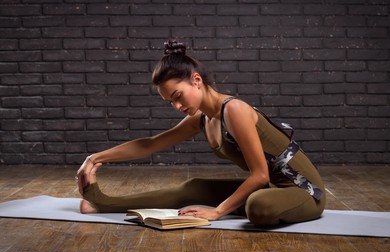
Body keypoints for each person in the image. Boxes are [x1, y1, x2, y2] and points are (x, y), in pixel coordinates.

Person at [76, 40, 326, 226]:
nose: (176, 106)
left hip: (302, 191)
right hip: (270, 186)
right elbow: (150, 145)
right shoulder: (203, 117)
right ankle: (101, 202)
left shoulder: (234, 110)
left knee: (258, 206)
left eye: (177, 96)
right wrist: (95, 157)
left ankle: (247, 206)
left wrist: (217, 211)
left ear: (196, 80)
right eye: (169, 102)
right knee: (192, 188)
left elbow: (259, 175)